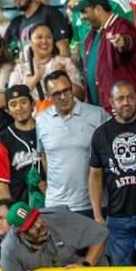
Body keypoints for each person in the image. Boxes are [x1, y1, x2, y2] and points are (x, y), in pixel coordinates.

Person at [89, 80, 136, 265]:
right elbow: (95, 176)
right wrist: (97, 214)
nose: (125, 102)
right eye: (119, 98)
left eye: (130, 97)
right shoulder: (101, 134)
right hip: (117, 218)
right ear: (111, 103)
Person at [36, 69, 109, 217]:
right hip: (56, 205)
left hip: (93, 204)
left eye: (67, 91)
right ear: (48, 97)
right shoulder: (41, 120)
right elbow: (44, 156)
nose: (63, 97)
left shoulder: (98, 115)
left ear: (72, 88)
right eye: (56, 94)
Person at [77, 0, 136, 111]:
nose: (81, 16)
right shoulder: (90, 37)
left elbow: (127, 41)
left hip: (126, 110)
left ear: (98, 9)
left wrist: (122, 42)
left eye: (84, 11)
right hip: (100, 111)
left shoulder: (122, 26)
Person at [8, 23, 83, 109]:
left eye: (48, 37)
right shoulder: (20, 69)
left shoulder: (65, 63)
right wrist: (35, 78)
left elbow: (79, 95)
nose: (44, 41)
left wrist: (63, 76)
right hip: (34, 120)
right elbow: (13, 101)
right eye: (39, 37)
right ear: (29, 41)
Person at [0, 84, 41, 205]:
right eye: (13, 104)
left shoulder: (46, 131)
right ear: (7, 110)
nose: (18, 108)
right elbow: (2, 187)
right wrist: (13, 211)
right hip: (22, 208)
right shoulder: (2, 140)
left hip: (51, 204)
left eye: (23, 102)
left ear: (32, 104)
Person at [5, 0, 72, 60]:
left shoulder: (49, 13)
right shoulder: (22, 24)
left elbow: (64, 47)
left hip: (54, 70)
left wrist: (64, 70)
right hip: (33, 70)